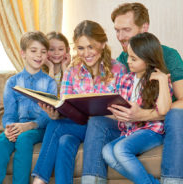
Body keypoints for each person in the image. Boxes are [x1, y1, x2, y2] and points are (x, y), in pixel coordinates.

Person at [82, 3, 183, 184]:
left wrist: (144, 115)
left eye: (126, 30)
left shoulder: (168, 55)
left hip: (172, 126)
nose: (120, 37)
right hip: (136, 127)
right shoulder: (122, 62)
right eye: (117, 30)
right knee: (97, 122)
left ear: (144, 28)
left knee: (175, 114)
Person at [32, 20, 126, 184]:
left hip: (110, 128)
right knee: (64, 140)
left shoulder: (118, 69)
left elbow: (124, 113)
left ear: (103, 44)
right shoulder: (72, 71)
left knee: (57, 128)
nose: (86, 53)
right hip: (80, 125)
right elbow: (66, 105)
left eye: (91, 46)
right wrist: (56, 114)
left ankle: (39, 181)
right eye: (81, 48)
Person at [0, 31, 57, 184]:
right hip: (17, 126)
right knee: (1, 142)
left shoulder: (49, 83)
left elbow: (47, 115)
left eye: (43, 52)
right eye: (33, 51)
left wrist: (29, 125)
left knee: (24, 139)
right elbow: (9, 114)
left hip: (39, 128)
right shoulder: (12, 82)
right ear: (22, 53)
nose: (39, 55)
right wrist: (9, 128)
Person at [102, 32, 172, 184]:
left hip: (152, 131)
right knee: (107, 151)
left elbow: (165, 111)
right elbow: (113, 106)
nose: (128, 61)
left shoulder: (159, 80)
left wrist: (162, 81)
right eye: (128, 56)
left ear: (148, 60)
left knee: (120, 149)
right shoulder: (125, 79)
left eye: (133, 58)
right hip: (129, 131)